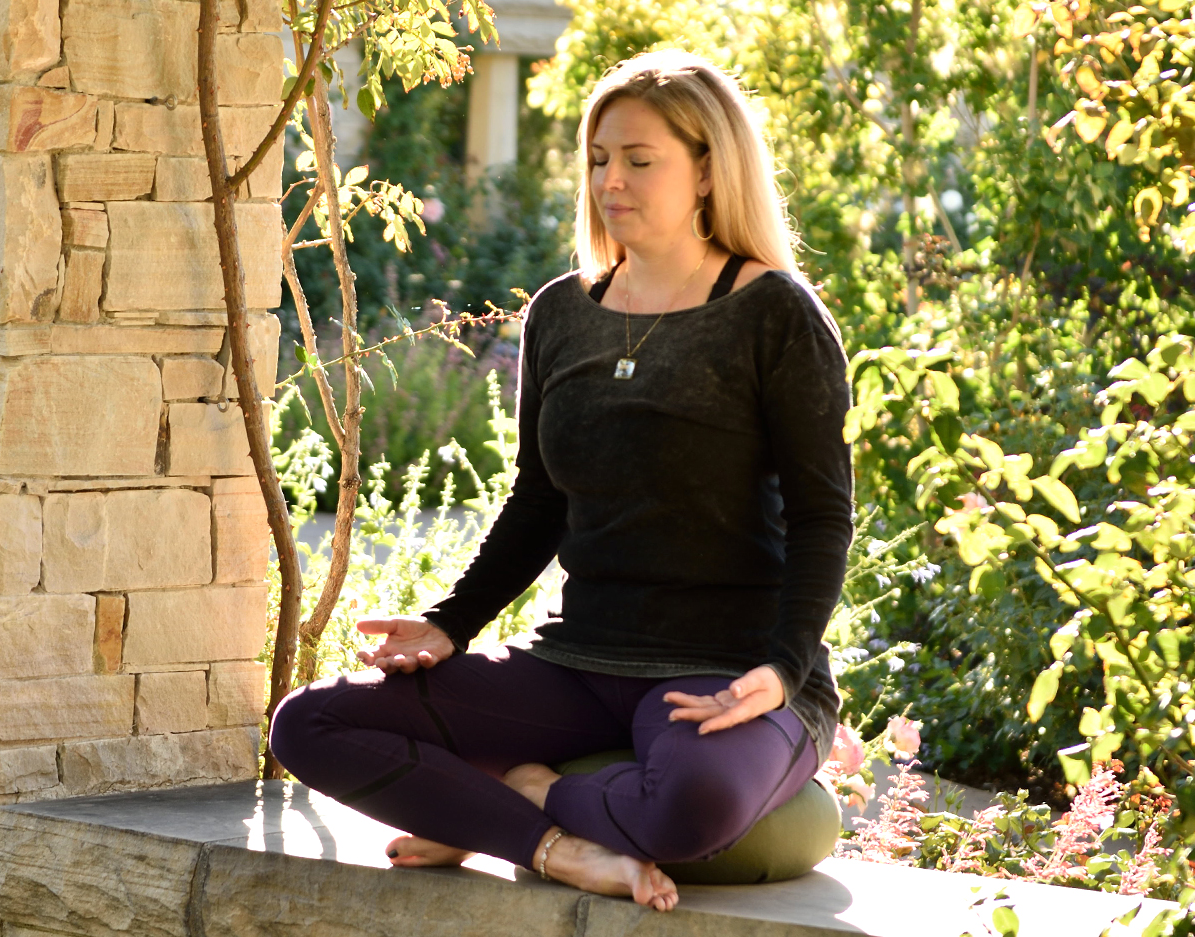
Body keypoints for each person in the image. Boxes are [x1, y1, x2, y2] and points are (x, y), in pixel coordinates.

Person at [269, 49, 854, 912]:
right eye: (599, 158)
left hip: (724, 667)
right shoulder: (561, 312)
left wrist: (782, 666)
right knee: (308, 721)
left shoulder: (774, 313)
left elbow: (821, 518)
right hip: (579, 662)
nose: (610, 179)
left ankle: (526, 797)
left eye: (639, 160)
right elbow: (539, 502)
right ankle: (556, 847)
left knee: (691, 807)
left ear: (706, 170)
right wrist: (450, 623)